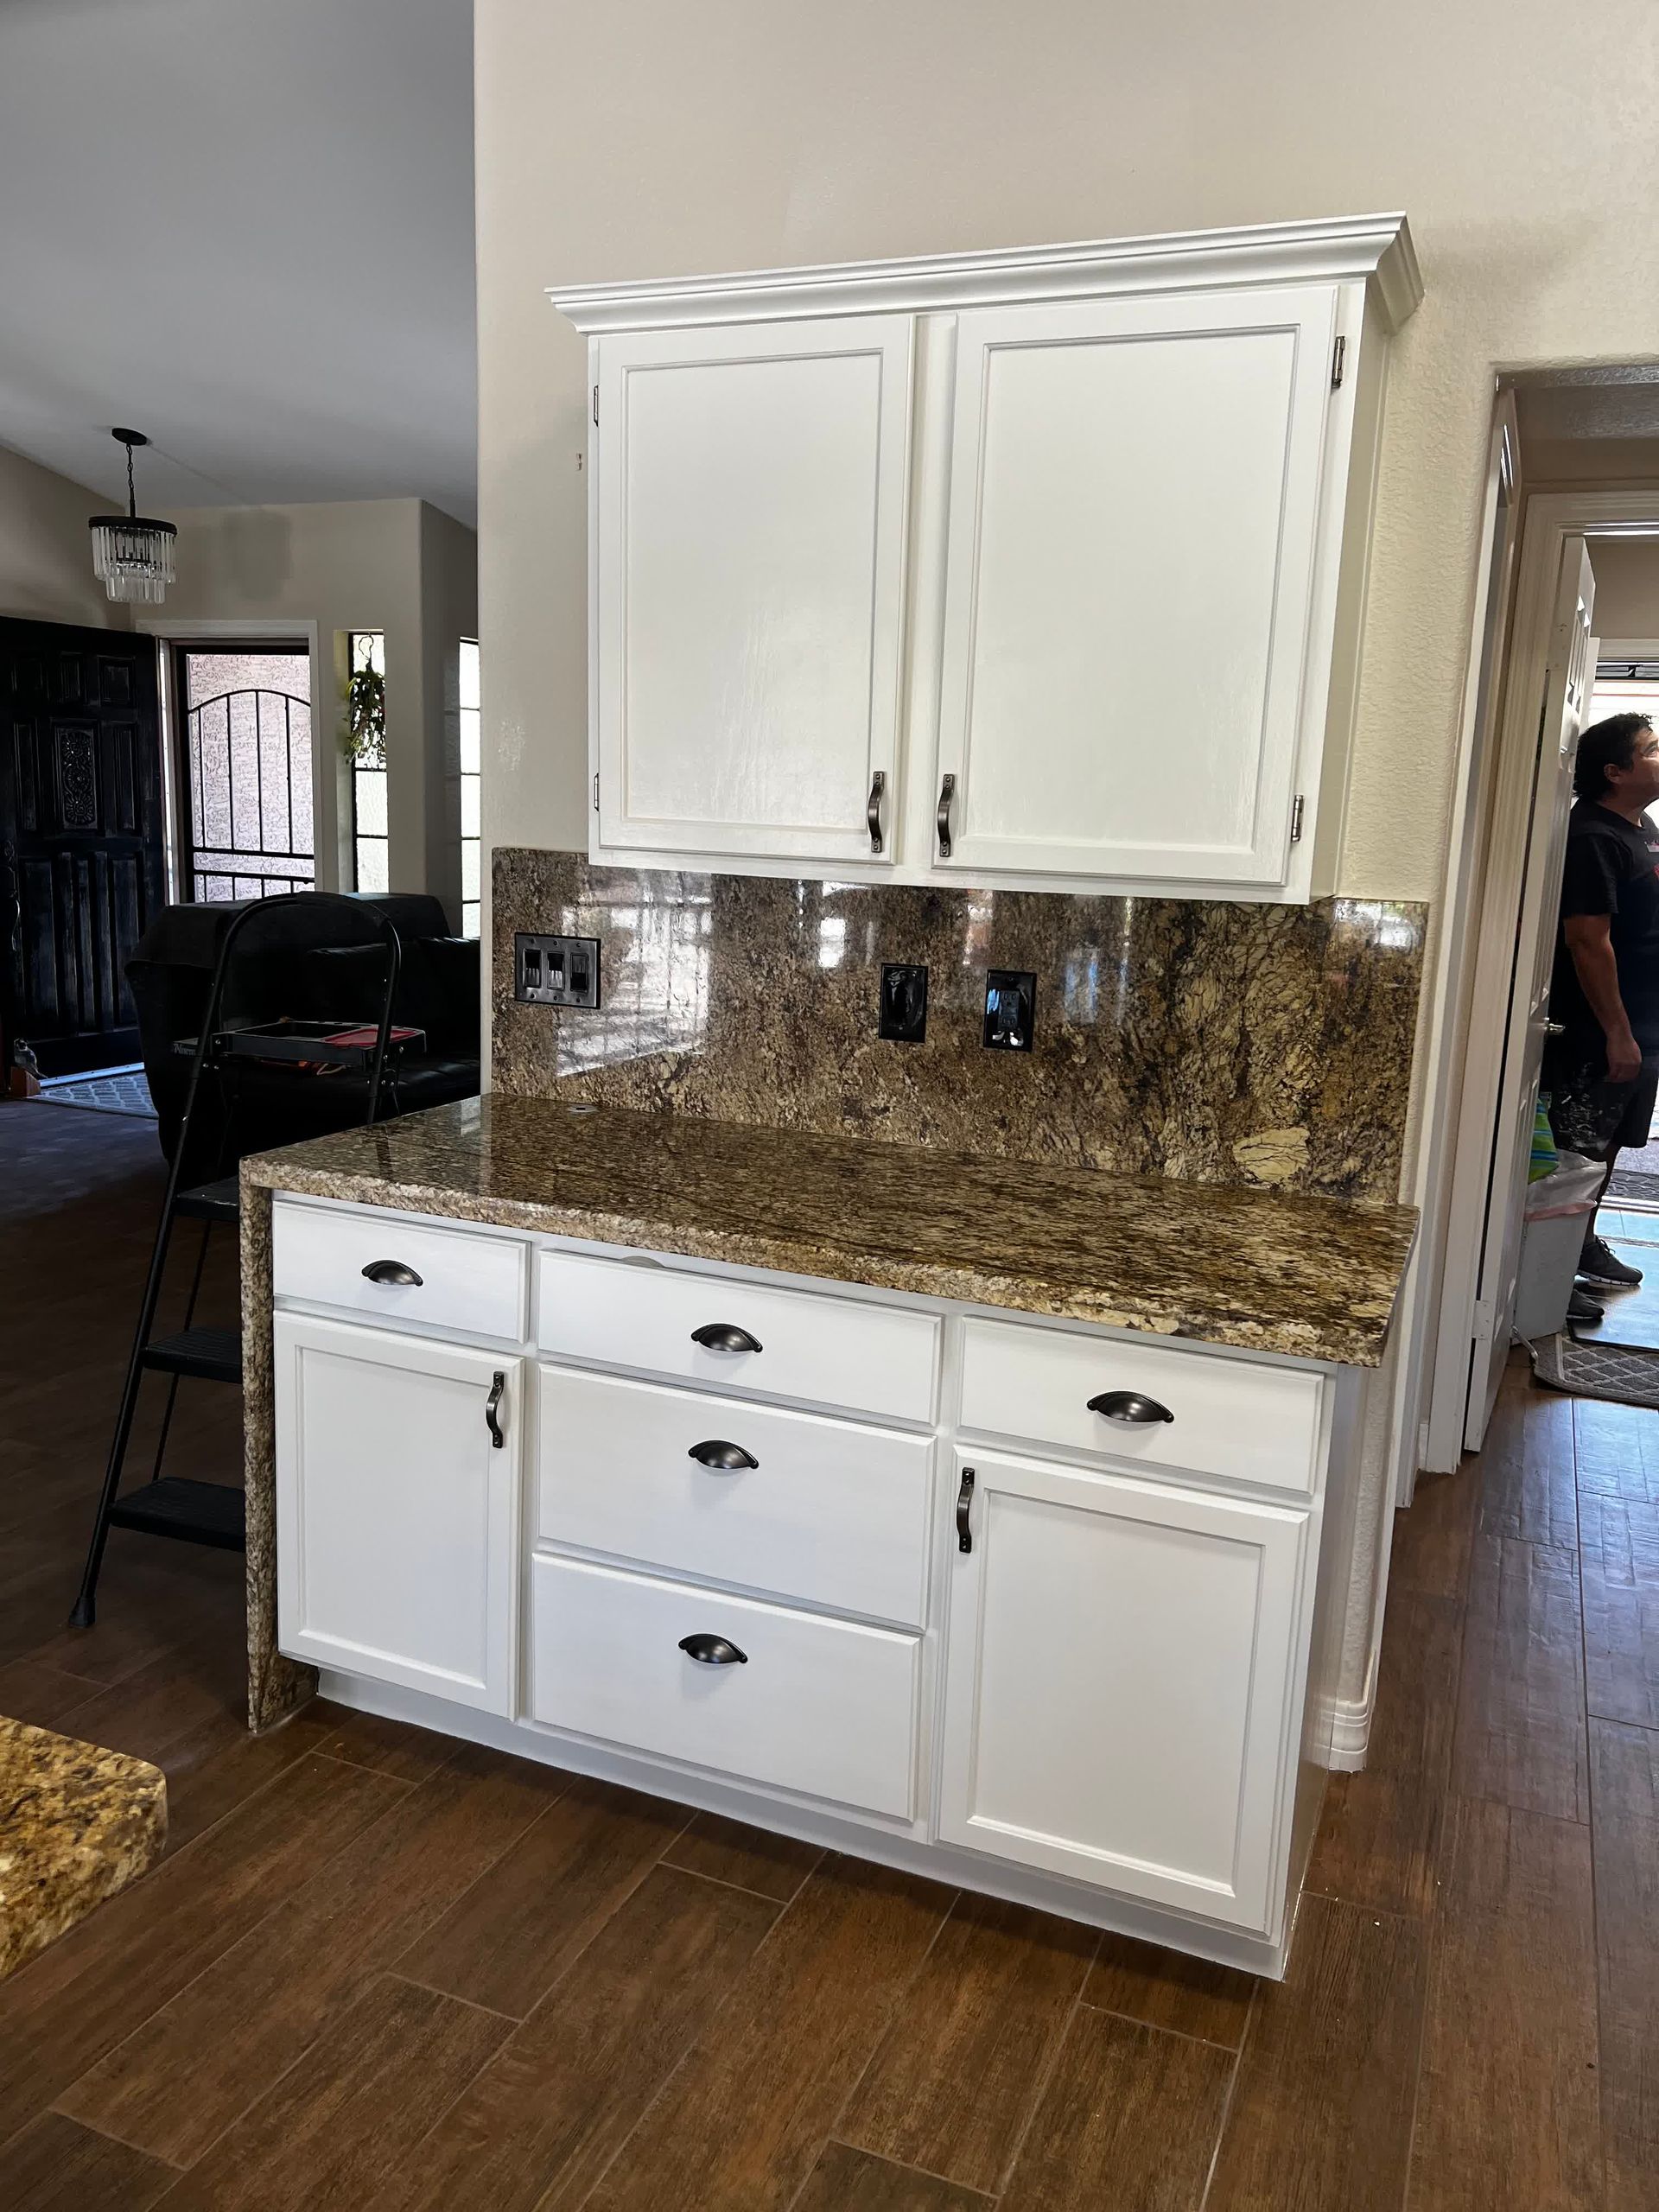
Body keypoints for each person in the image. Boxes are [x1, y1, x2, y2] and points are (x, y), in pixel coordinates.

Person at [1543, 709, 1659, 1321]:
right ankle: (1548, 1273)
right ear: (1616, 772)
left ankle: (1580, 1246)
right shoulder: (1593, 836)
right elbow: (1588, 941)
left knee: (1609, 1148)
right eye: (1652, 748)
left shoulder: (1641, 827)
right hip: (1601, 1033)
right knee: (1577, 1155)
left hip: (1644, 1024)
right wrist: (1617, 1033)